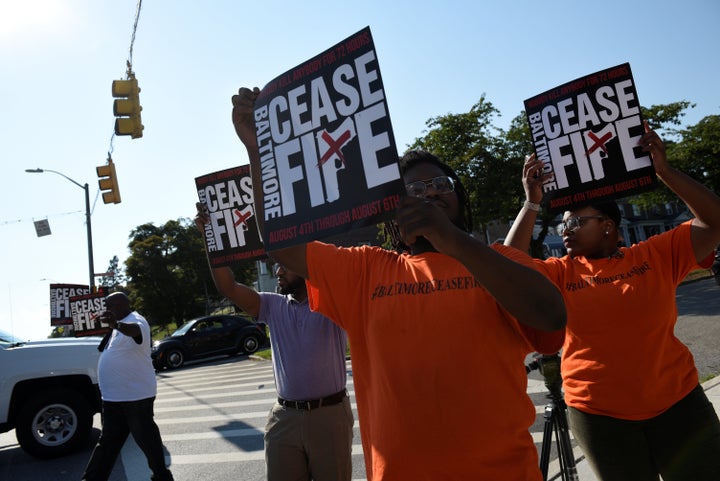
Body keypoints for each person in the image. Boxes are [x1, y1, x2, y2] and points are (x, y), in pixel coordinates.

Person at [231, 86, 567, 481]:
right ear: (393, 214)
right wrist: (259, 152)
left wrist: (451, 241)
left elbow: (551, 318)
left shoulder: (501, 262)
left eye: (441, 185)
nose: (429, 194)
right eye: (414, 190)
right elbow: (281, 243)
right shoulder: (367, 270)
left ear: (459, 198)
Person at [505, 122, 720, 481]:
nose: (566, 232)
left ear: (608, 225)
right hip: (599, 416)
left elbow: (715, 220)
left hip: (679, 404)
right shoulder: (560, 271)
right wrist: (531, 202)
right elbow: (507, 264)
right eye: (562, 226)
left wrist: (664, 171)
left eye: (576, 223)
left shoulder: (655, 253)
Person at [193, 210, 353, 481]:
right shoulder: (272, 305)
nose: (277, 270)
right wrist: (212, 239)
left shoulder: (332, 299)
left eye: (284, 264)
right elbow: (228, 287)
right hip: (284, 418)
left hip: (330, 416)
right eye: (275, 264)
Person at [81, 292, 174, 481]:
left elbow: (135, 331)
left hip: (135, 398)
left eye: (110, 306)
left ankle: (162, 476)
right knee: (107, 444)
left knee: (147, 440)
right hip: (113, 399)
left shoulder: (136, 320)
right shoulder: (116, 329)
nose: (106, 310)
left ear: (122, 305)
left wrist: (115, 324)